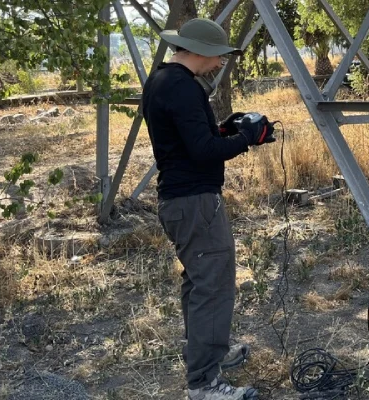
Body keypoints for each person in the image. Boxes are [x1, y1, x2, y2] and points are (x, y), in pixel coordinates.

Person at [141, 17, 274, 400]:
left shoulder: (162, 81)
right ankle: (204, 383)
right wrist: (247, 137)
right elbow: (202, 152)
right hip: (195, 202)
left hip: (180, 201)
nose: (220, 63)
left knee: (199, 282)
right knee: (213, 288)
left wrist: (225, 129)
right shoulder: (183, 88)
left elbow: (190, 139)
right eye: (217, 56)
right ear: (199, 51)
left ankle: (207, 351)